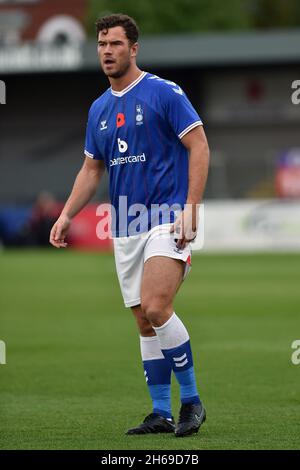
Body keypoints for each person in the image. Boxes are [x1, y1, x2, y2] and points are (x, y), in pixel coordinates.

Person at [49, 13, 210, 438]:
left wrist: (191, 207)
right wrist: (66, 214)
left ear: (133, 49)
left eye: (115, 44)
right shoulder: (99, 109)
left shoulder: (163, 93)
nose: (107, 51)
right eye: (102, 44)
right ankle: (161, 411)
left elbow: (199, 145)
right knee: (143, 321)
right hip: (124, 224)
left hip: (165, 217)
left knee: (157, 306)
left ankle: (191, 401)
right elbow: (90, 169)